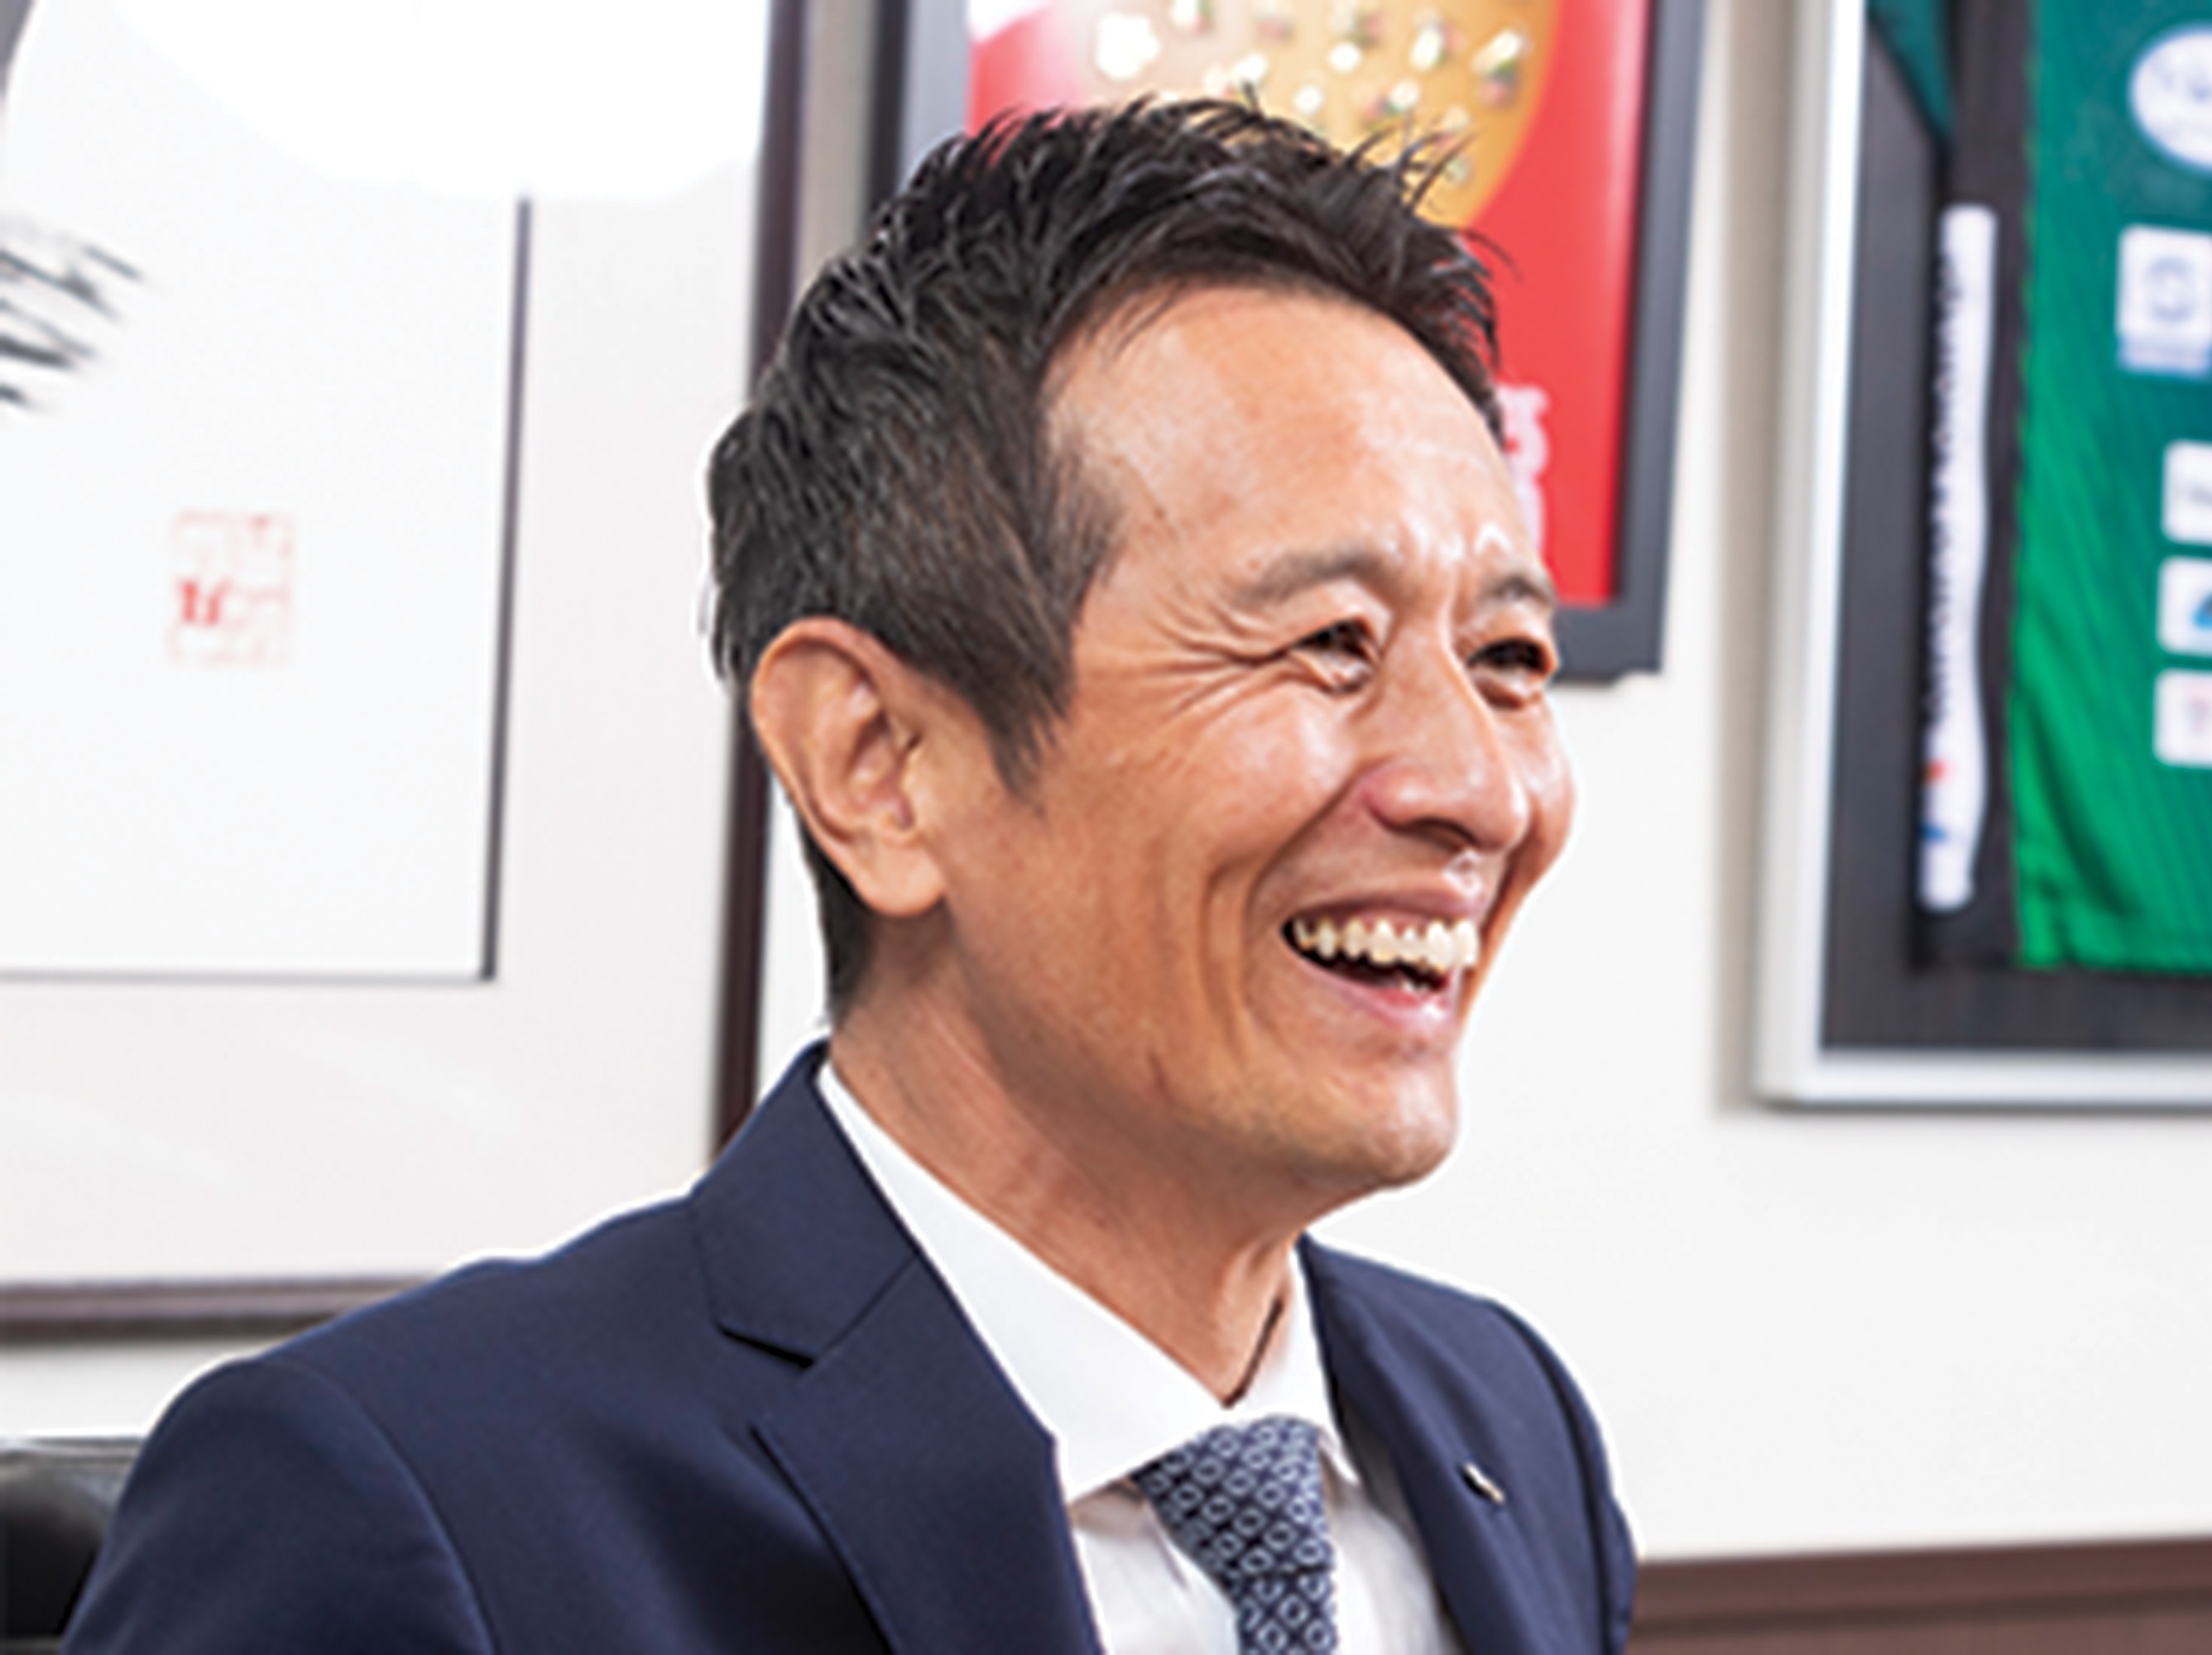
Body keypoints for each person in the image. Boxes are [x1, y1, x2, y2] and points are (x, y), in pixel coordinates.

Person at [64, 99, 1631, 1653]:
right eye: (1327, 643)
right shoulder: (417, 1501)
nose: (1480, 790)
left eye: (1506, 658)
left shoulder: (1504, 1421)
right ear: (878, 764)